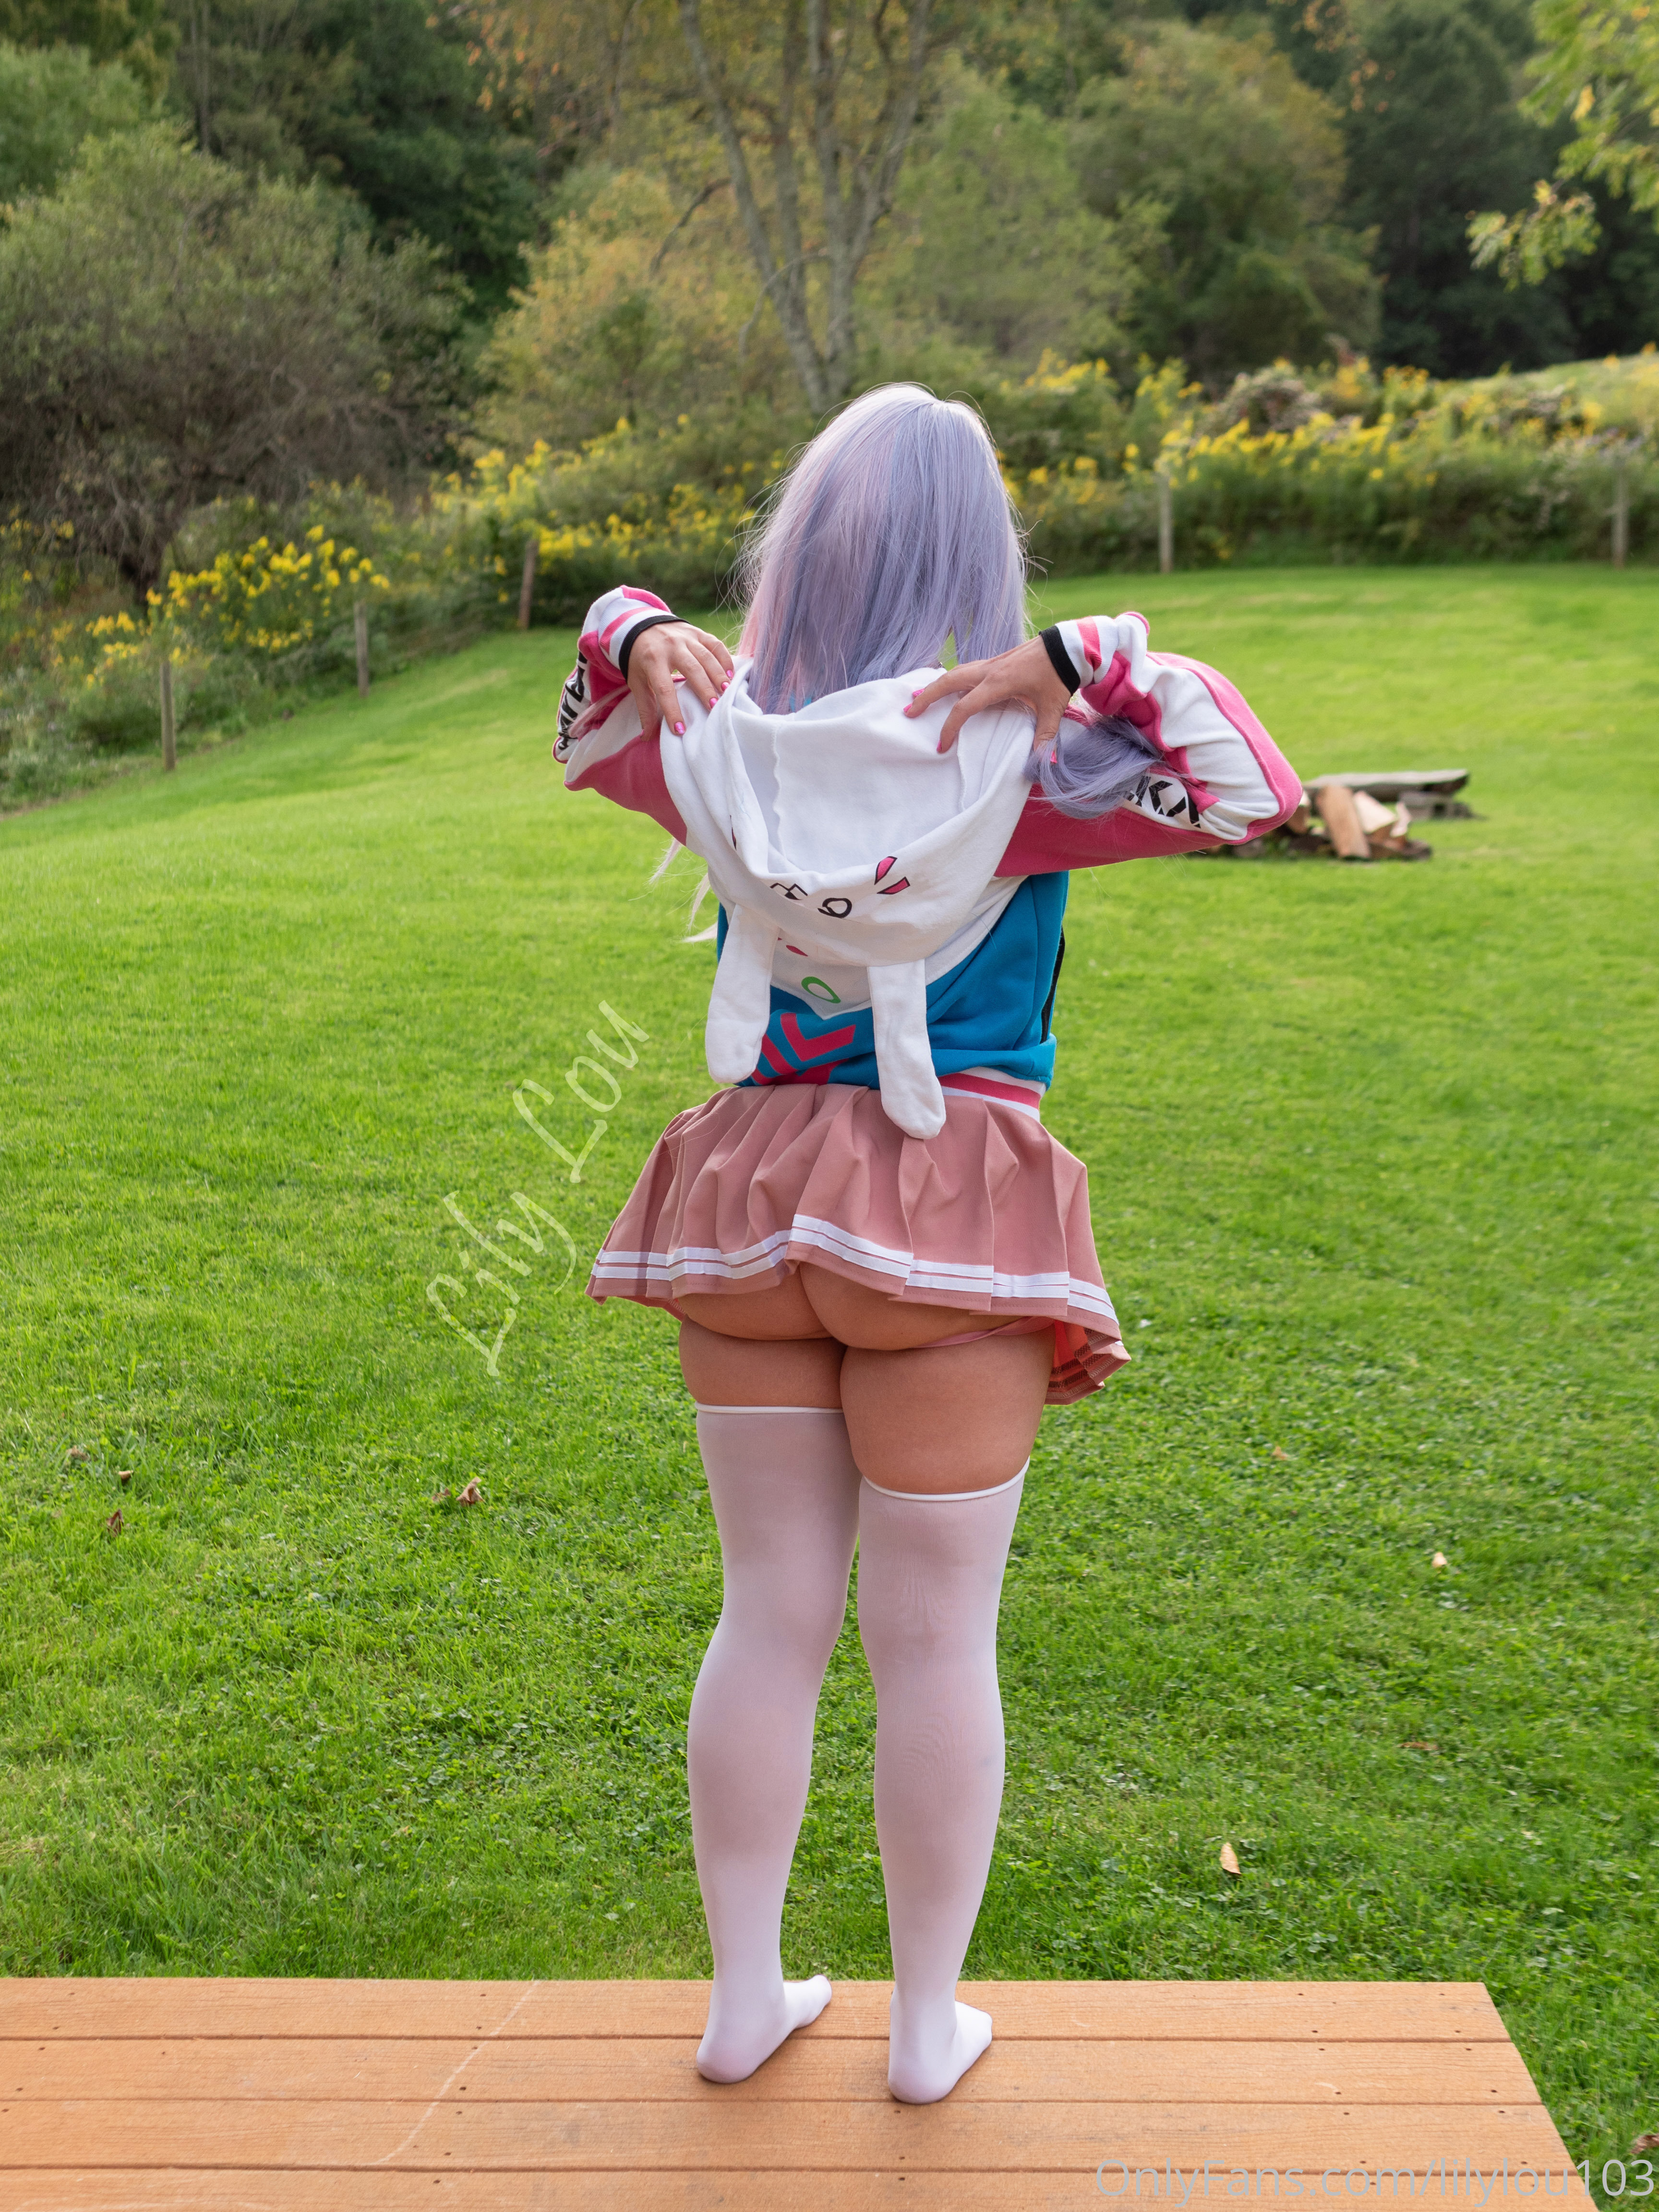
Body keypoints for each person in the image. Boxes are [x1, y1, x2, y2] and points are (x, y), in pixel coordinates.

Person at [554, 385, 1299, 2104]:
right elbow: (1248, 788)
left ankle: (744, 2002)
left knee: (766, 1616)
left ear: (801, 551)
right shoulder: (1020, 762)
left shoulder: (720, 743)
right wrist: (1083, 663)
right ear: (982, 564)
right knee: (937, 1642)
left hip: (752, 1209)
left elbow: (590, 723)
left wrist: (639, 629)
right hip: (943, 1216)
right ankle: (919, 2027)